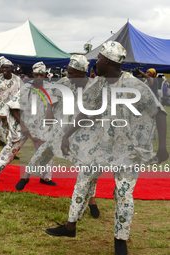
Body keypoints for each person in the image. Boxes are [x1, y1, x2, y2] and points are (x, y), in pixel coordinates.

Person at [45, 41, 169, 255]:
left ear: (109, 62)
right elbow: (87, 111)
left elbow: (159, 112)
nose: (96, 62)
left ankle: (120, 239)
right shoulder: (99, 84)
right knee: (83, 182)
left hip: (129, 151)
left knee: (123, 194)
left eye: (99, 58)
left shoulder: (136, 86)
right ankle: (70, 226)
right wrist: (67, 134)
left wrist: (162, 148)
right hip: (100, 147)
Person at [15, 57, 99, 216]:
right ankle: (26, 176)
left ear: (82, 73)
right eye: (68, 72)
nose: (69, 76)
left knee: (88, 166)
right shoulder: (65, 82)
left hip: (83, 129)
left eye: (72, 73)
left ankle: (92, 201)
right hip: (63, 123)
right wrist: (49, 113)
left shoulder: (94, 87)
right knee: (46, 148)